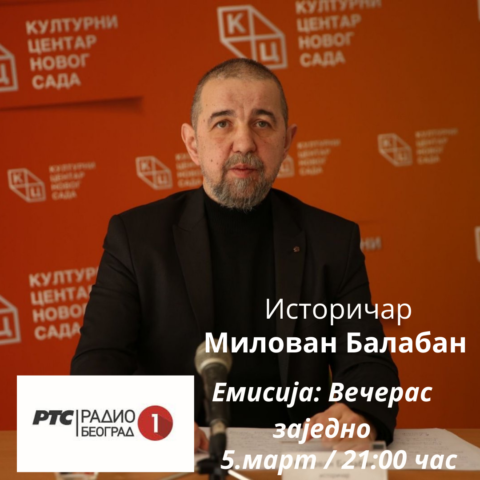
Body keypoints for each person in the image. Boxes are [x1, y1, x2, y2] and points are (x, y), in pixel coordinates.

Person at [71, 58, 400, 452]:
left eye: (262, 123)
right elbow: (96, 366)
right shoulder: (136, 238)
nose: (244, 143)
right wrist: (149, 423)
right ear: (192, 143)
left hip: (298, 459)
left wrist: (360, 412)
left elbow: (368, 365)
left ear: (287, 141)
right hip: (183, 461)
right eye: (222, 123)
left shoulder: (333, 240)